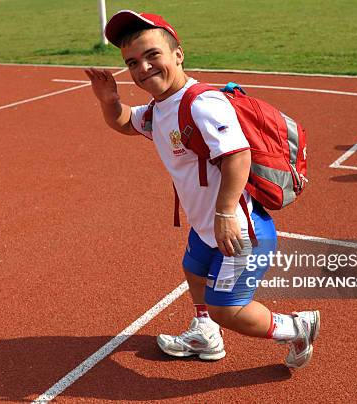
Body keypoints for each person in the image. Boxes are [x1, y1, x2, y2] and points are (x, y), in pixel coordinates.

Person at [85, 10, 320, 369]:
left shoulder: (201, 103)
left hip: (239, 230)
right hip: (207, 225)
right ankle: (205, 333)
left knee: (229, 309)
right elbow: (125, 123)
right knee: (194, 271)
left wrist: (225, 214)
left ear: (178, 54)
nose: (144, 68)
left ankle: (296, 326)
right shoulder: (160, 108)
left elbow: (237, 157)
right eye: (133, 62)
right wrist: (108, 101)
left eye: (153, 56)